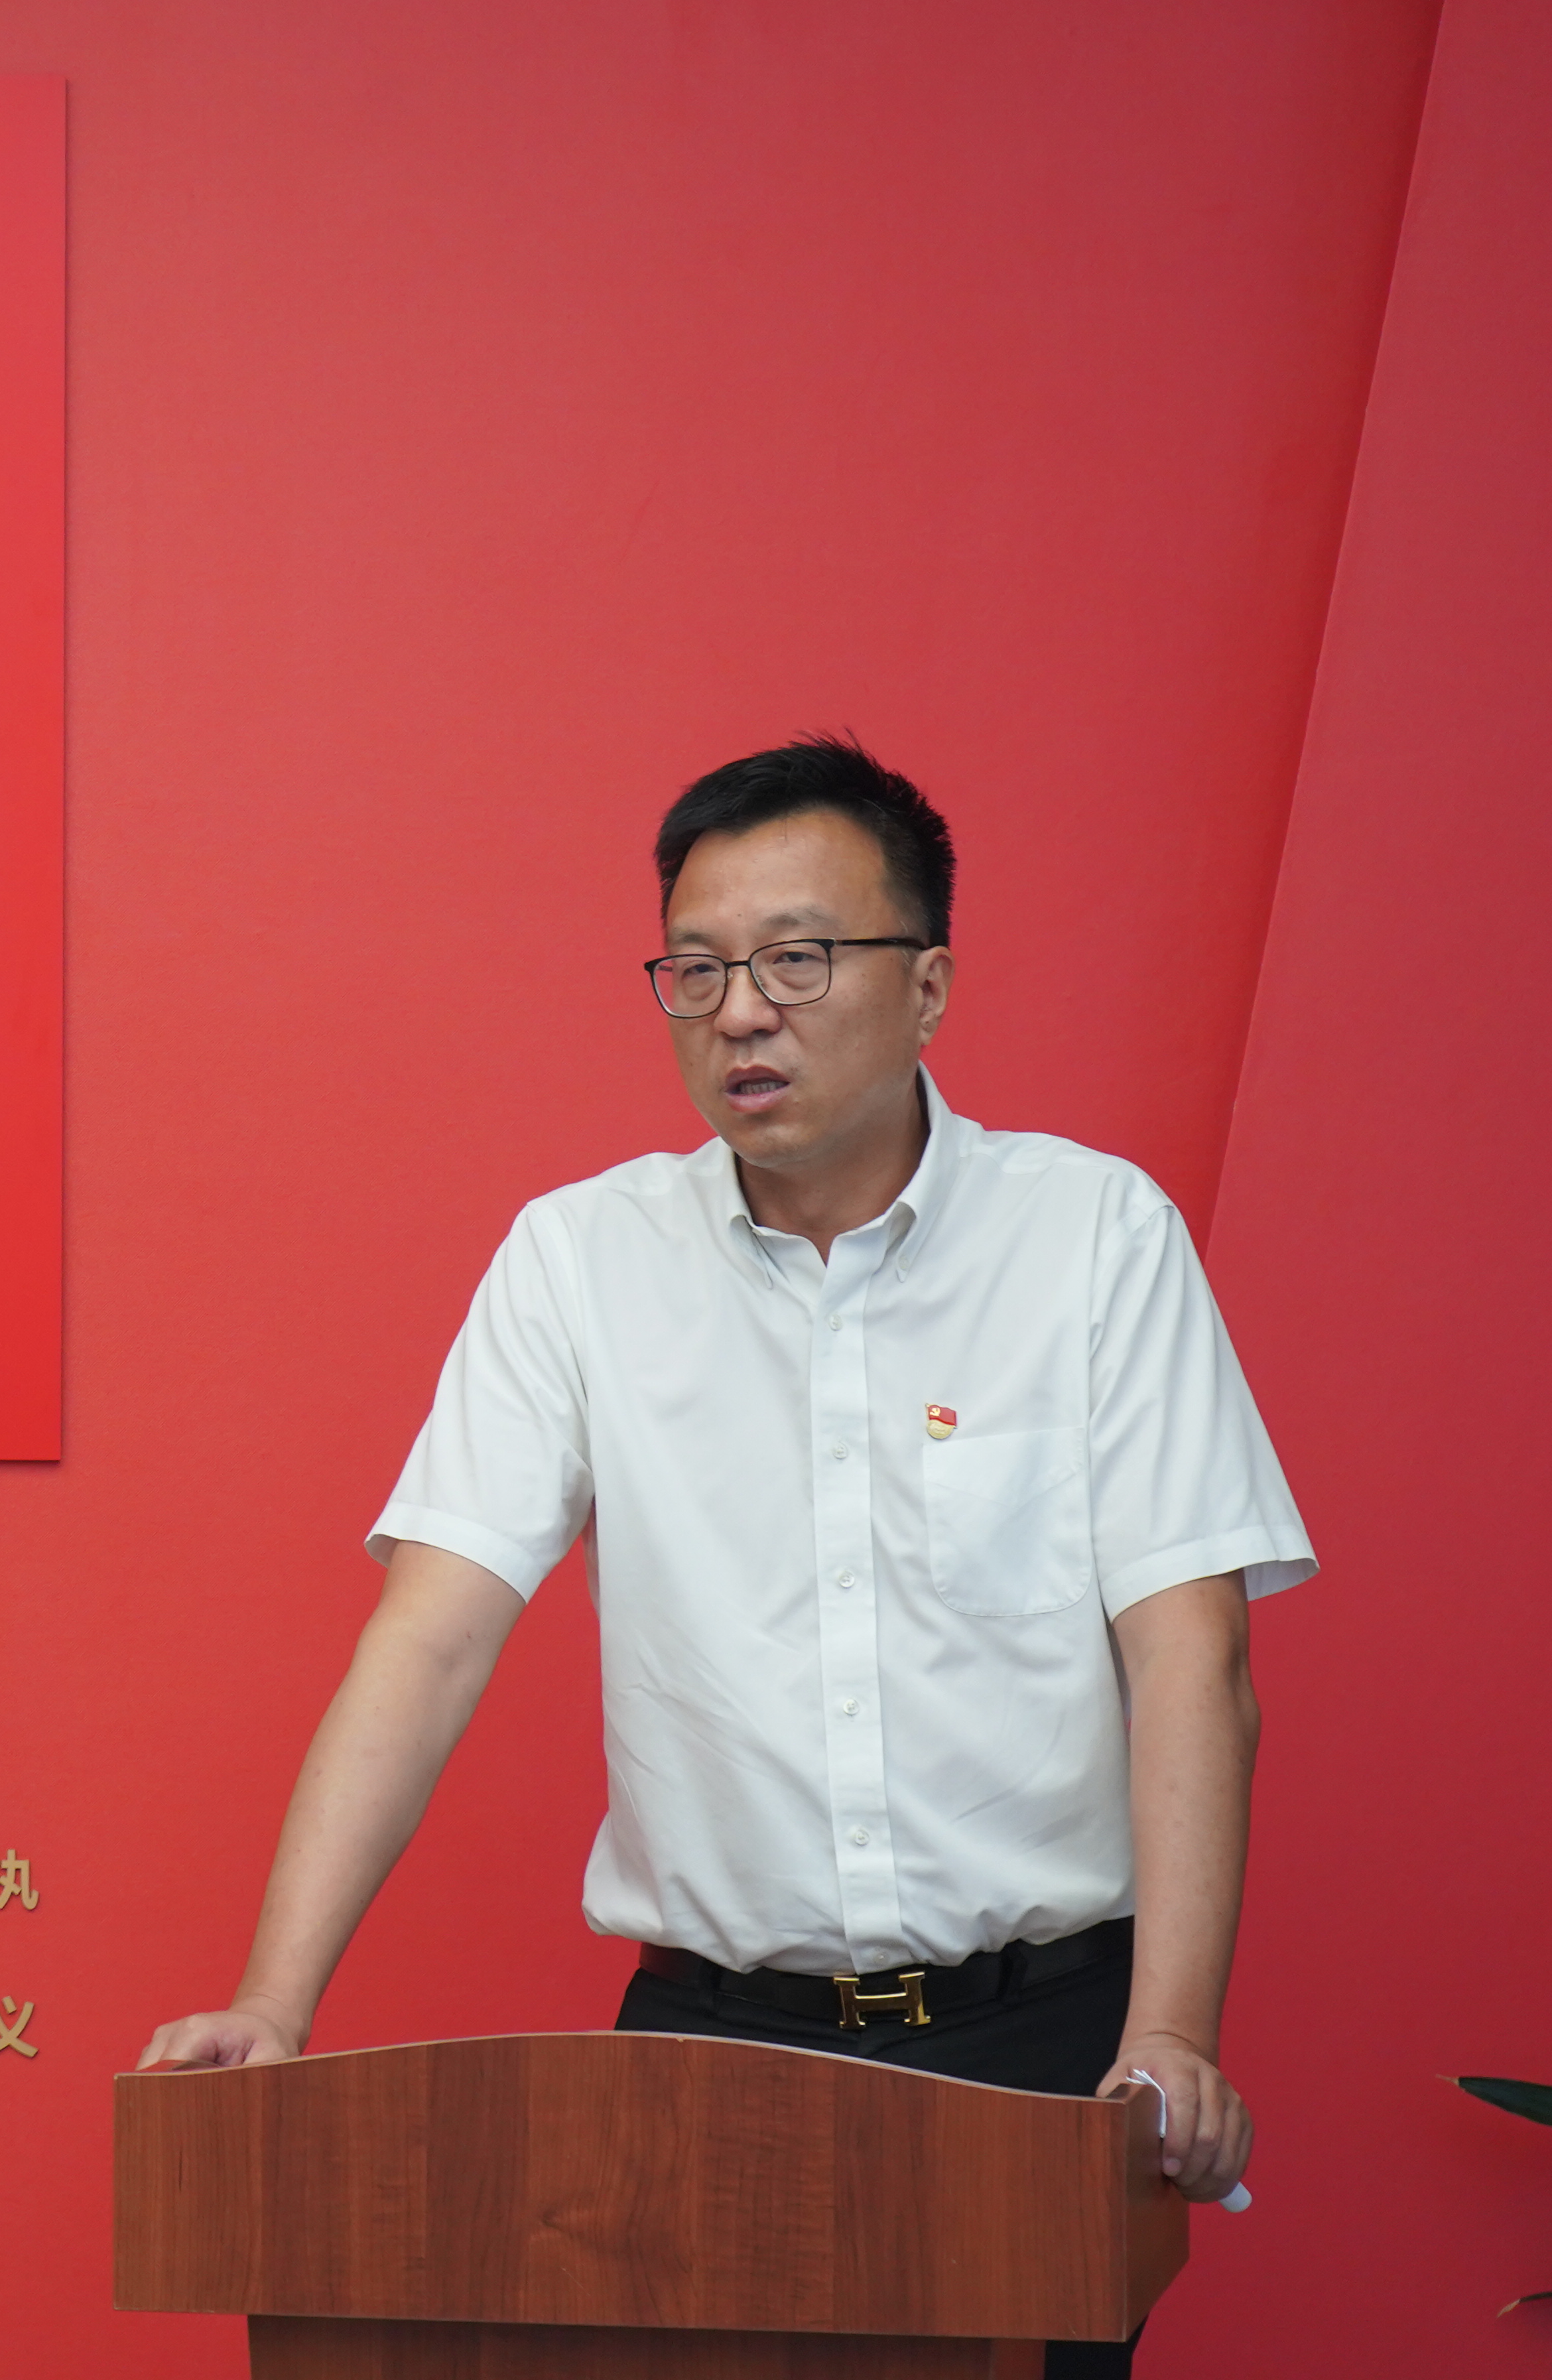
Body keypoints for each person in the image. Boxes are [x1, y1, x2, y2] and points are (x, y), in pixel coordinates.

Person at [143, 737, 1311, 2377]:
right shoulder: (580, 1260)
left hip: (1042, 2046)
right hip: (706, 2045)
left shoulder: (1094, 1237)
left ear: (929, 985)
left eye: (797, 958)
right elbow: (429, 1638)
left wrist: (1170, 2029)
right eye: (696, 970)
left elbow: (1192, 1658)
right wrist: (277, 2000)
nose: (742, 1012)